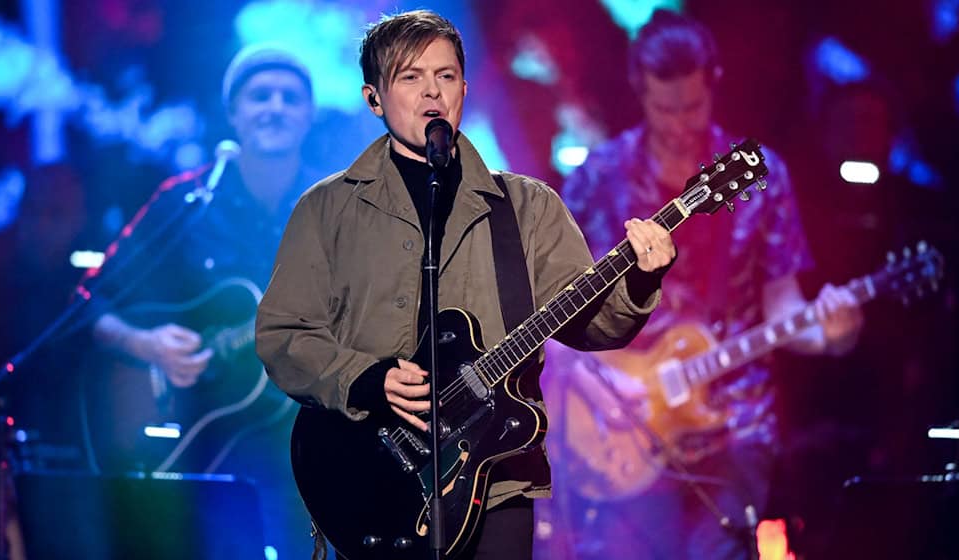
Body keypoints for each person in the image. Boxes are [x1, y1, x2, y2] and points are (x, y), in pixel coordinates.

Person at [253, 9, 676, 560]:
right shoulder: (327, 208)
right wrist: (364, 380)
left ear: (464, 90)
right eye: (411, 77)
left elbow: (592, 324)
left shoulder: (527, 206)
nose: (432, 91)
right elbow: (284, 334)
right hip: (368, 475)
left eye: (446, 76)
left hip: (496, 477)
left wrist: (642, 278)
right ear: (373, 98)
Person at [536, 9, 864, 560]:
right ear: (639, 92)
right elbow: (553, 318)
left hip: (736, 423)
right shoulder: (597, 178)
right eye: (665, 108)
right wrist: (604, 390)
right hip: (625, 425)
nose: (680, 123)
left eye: (693, 105)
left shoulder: (758, 176)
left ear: (713, 84)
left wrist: (830, 333)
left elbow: (785, 308)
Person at [78, 43, 321, 560]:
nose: (274, 106)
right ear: (233, 112)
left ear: (309, 115)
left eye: (289, 97)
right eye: (259, 95)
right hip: (204, 446)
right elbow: (91, 303)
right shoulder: (187, 202)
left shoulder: (339, 209)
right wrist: (146, 344)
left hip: (310, 447)